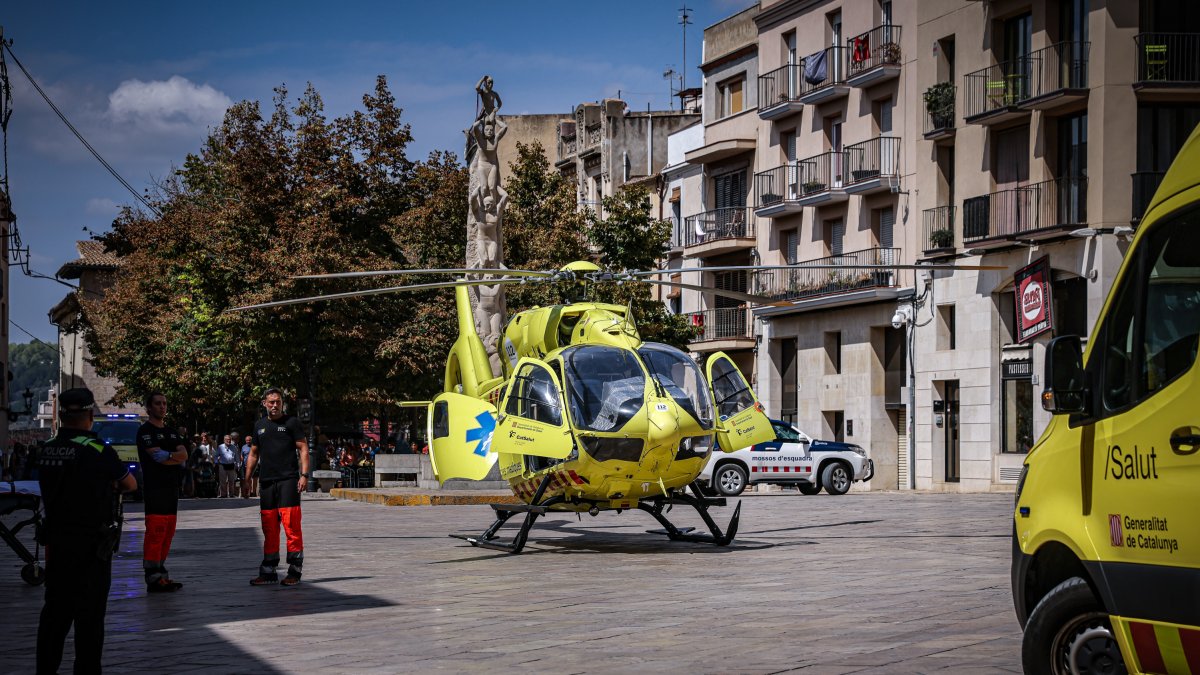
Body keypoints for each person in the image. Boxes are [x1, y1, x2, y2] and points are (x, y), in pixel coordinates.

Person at [35, 388, 137, 674]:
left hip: (57, 542)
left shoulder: (47, 448)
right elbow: (130, 484)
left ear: (60, 415)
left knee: (54, 615)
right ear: (90, 415)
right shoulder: (97, 449)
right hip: (91, 545)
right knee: (89, 619)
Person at [245, 388, 309, 586]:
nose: (275, 405)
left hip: (288, 480)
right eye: (271, 402)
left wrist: (304, 475)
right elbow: (253, 454)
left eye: (278, 401)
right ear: (264, 403)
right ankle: (268, 571)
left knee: (291, 524)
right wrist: (246, 479)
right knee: (269, 526)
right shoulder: (259, 426)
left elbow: (303, 448)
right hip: (266, 482)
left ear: (282, 403)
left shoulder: (292, 423)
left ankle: (295, 570)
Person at [137, 393, 189, 593]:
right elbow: (157, 457)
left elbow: (184, 455)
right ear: (149, 407)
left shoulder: (171, 432)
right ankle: (152, 575)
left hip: (171, 488)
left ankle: (161, 573)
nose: (162, 407)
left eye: (165, 403)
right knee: (156, 531)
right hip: (155, 488)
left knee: (168, 530)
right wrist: (173, 456)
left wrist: (169, 455)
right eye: (158, 404)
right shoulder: (145, 431)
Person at [215, 434, 239, 498]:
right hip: (222, 465)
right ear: (224, 440)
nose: (229, 441)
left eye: (230, 440)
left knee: (231, 481)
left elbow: (237, 456)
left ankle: (231, 494)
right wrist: (216, 462)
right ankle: (223, 494)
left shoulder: (234, 447)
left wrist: (238, 464)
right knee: (223, 481)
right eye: (227, 440)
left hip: (231, 465)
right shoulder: (220, 447)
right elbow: (216, 455)